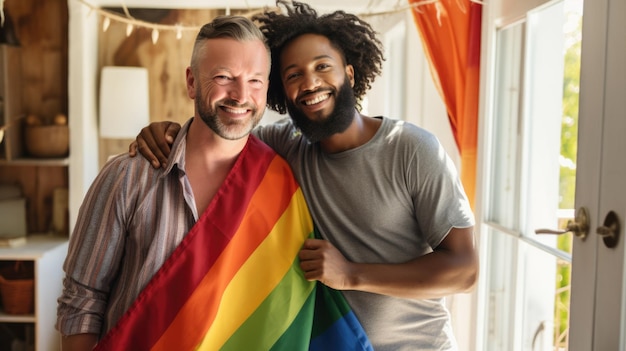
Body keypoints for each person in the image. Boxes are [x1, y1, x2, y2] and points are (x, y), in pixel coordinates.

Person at [132, 1, 478, 350]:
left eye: (322, 66)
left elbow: (464, 270)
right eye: (293, 75)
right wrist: (168, 132)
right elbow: (221, 136)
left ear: (351, 74)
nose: (310, 83)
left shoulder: (412, 149)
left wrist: (350, 274)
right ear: (283, 92)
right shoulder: (287, 145)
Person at [57, 15, 371, 351]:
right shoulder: (126, 176)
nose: (240, 95)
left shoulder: (284, 179)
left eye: (255, 81)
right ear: (192, 83)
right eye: (224, 77)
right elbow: (82, 300)